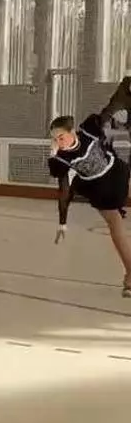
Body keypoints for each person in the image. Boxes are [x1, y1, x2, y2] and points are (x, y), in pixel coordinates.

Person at [49, 77, 131, 298]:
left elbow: (110, 115)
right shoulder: (60, 159)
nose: (59, 142)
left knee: (117, 223)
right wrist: (63, 223)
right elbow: (64, 191)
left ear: (72, 131)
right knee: (116, 228)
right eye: (55, 139)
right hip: (100, 189)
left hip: (117, 172)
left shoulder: (89, 128)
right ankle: (130, 275)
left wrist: (121, 107)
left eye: (61, 136)